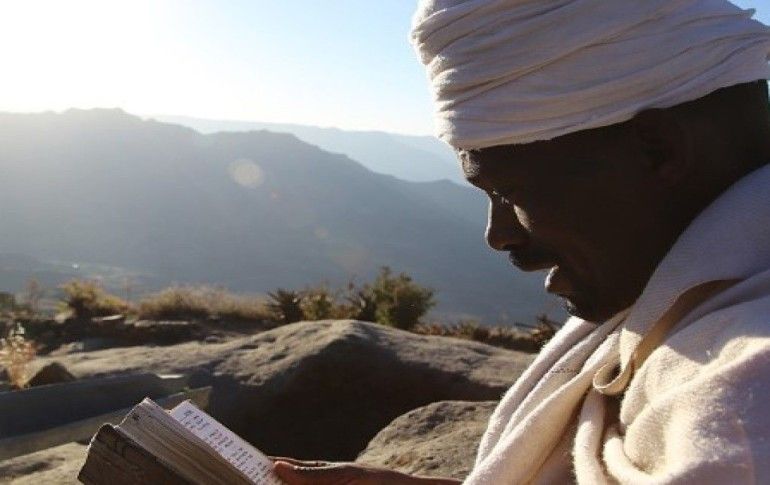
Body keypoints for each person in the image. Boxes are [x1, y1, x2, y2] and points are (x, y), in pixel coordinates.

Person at [273, 1, 770, 483]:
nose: (500, 236)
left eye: (508, 193)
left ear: (657, 149)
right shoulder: (704, 314)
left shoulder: (744, 398)